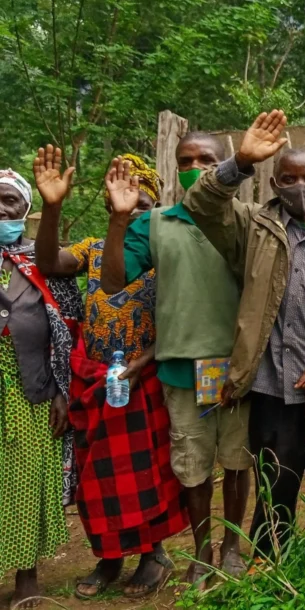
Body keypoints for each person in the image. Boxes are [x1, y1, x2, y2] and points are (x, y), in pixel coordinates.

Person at [183, 110, 305, 559]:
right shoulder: (251, 228)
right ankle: (272, 568)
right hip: (272, 389)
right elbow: (201, 205)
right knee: (277, 488)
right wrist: (240, 163)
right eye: (288, 179)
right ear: (274, 184)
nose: (300, 187)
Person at [32, 147, 187, 599]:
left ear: (155, 208)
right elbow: (49, 263)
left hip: (144, 376)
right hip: (95, 378)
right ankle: (109, 556)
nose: (131, 212)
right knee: (97, 475)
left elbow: (181, 319)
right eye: (122, 203)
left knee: (145, 472)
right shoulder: (95, 249)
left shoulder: (166, 255)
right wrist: (52, 207)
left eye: (142, 205)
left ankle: (153, 554)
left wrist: (142, 363)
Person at [99, 134, 249, 589]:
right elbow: (113, 283)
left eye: (207, 159)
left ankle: (232, 547)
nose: (195, 167)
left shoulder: (247, 219)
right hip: (182, 369)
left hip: (238, 368)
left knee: (237, 461)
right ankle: (202, 553)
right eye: (186, 160)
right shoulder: (157, 223)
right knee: (192, 466)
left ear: (224, 166)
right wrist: (119, 221)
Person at [0, 169, 82, 609]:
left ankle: (26, 573)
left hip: (31, 387)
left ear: (25, 208)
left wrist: (62, 392)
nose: (1, 210)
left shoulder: (44, 259)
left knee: (28, 478)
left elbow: (68, 329)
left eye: (9, 201)